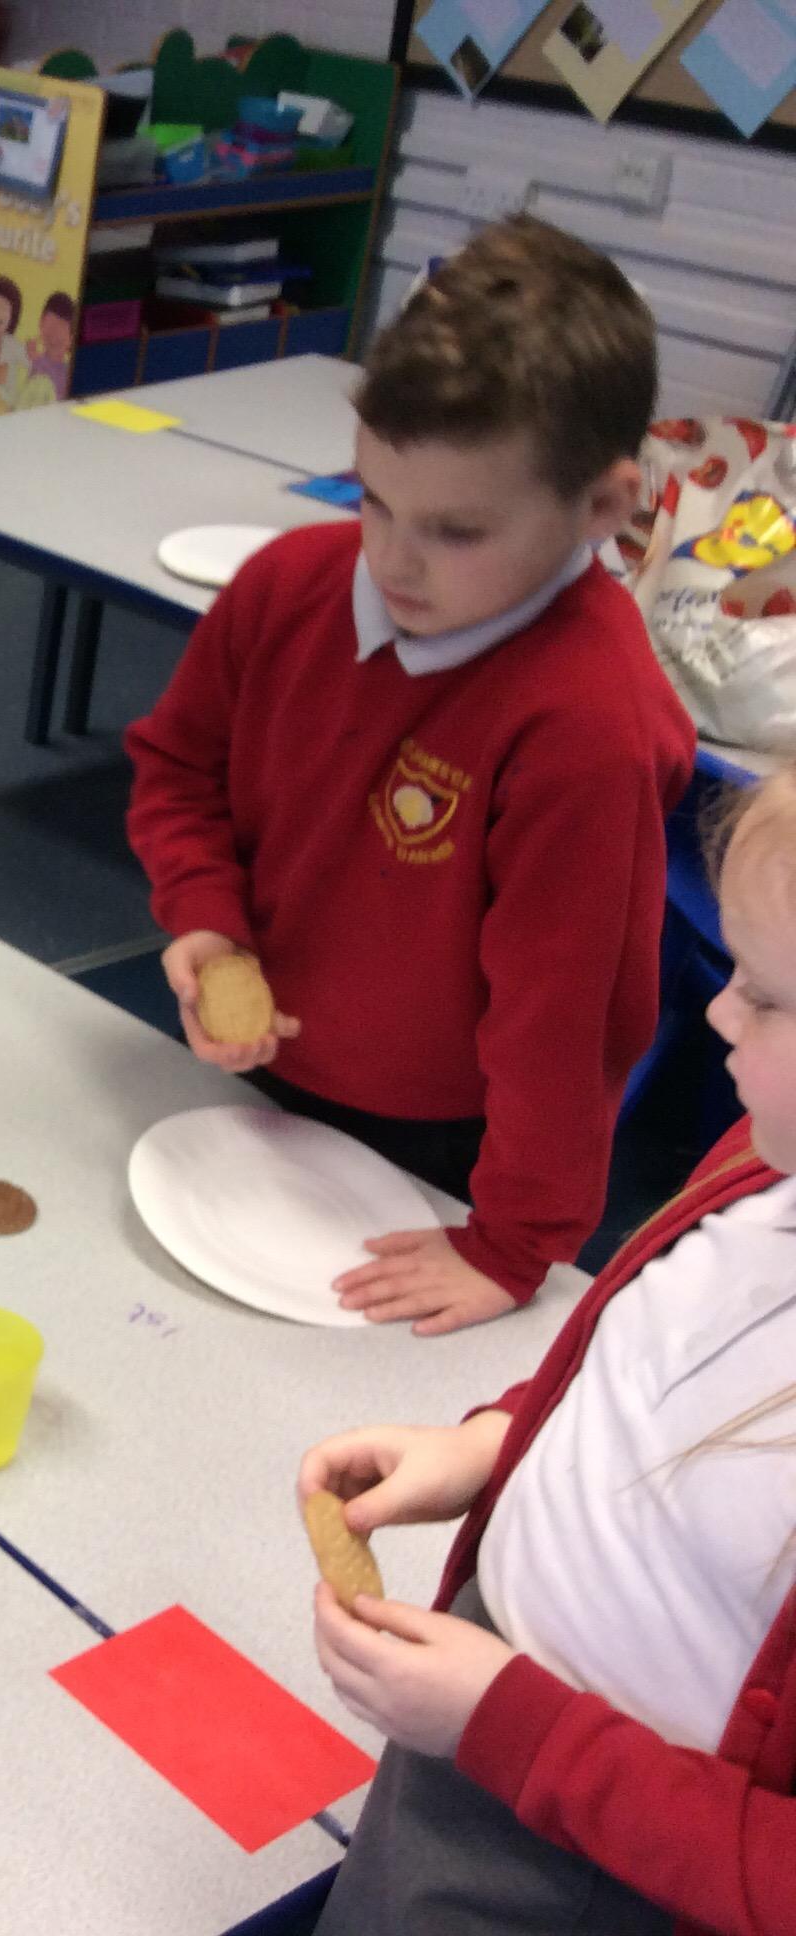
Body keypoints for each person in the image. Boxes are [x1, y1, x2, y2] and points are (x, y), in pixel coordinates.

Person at [127, 215, 696, 1335]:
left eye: (455, 531)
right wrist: (205, 914)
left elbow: (567, 1018)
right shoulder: (287, 585)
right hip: (255, 1074)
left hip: (442, 1138)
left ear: (601, 508)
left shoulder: (587, 725)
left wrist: (514, 1244)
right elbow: (180, 767)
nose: (392, 558)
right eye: (372, 499)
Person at [299, 764, 796, 1934]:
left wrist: (511, 1724)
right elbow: (647, 1369)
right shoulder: (767, 1154)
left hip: (600, 1866)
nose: (718, 1013)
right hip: (478, 1720)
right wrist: (490, 1444)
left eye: (768, 998)